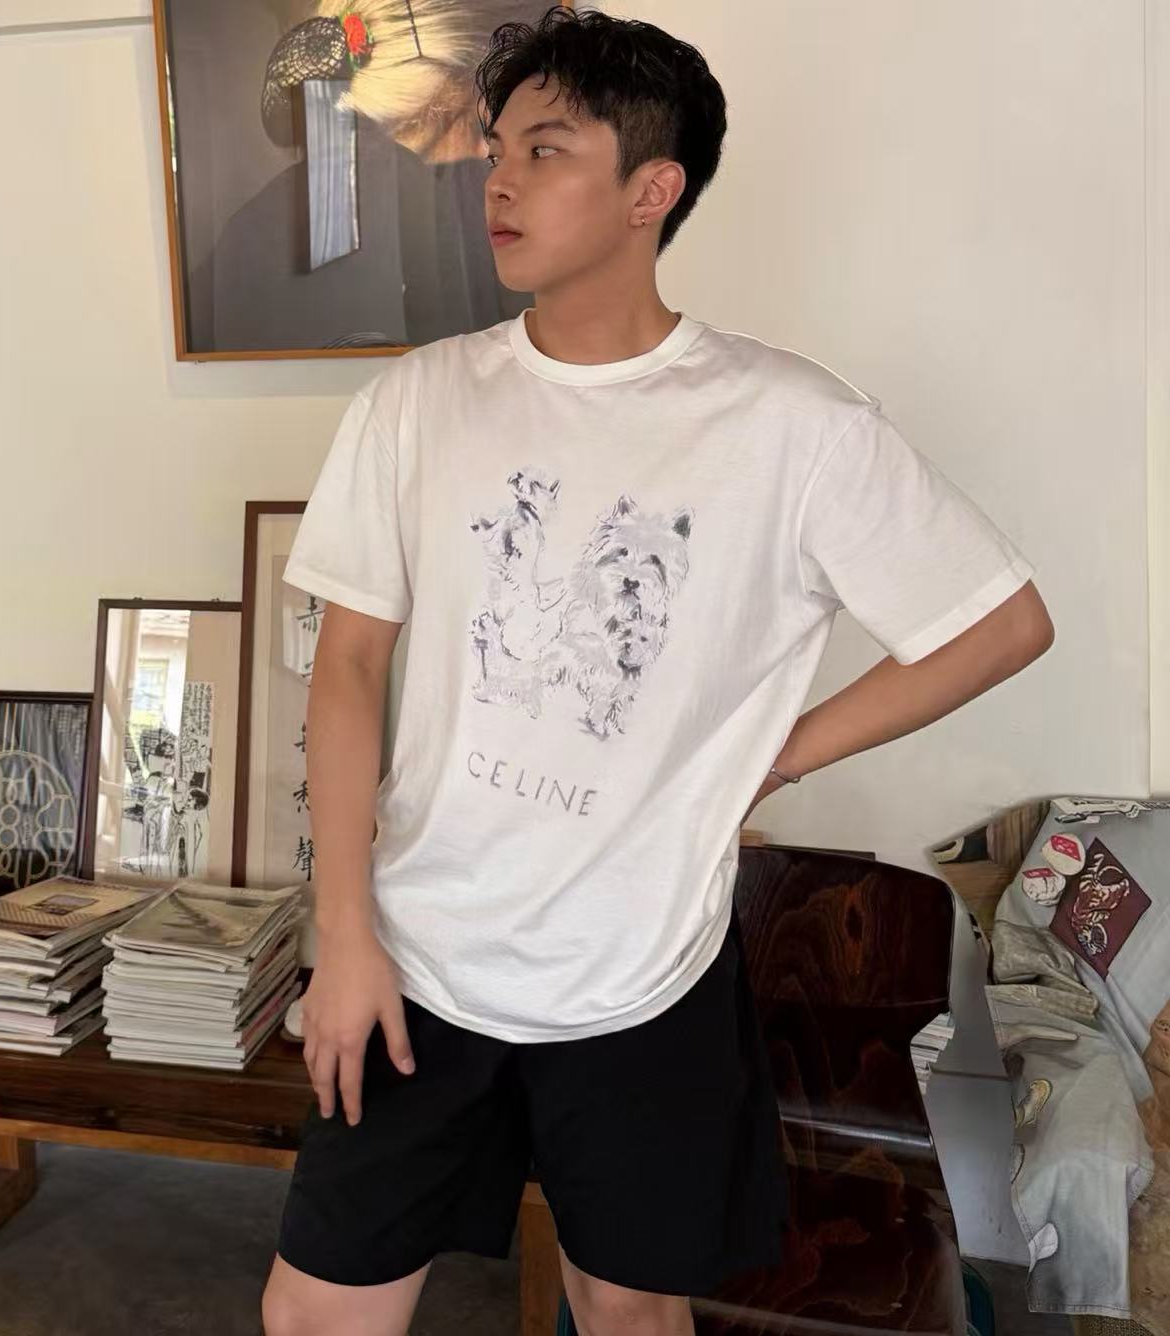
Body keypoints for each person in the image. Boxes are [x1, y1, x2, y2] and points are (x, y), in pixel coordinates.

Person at [261, 8, 1055, 1335]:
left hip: (642, 978)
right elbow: (346, 671)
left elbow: (999, 622)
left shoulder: (792, 425)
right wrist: (342, 937)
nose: (499, 183)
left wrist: (774, 756)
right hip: (413, 960)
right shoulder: (417, 401)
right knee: (315, 1313)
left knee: (627, 1314)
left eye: (546, 150)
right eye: (496, 151)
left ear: (651, 191)